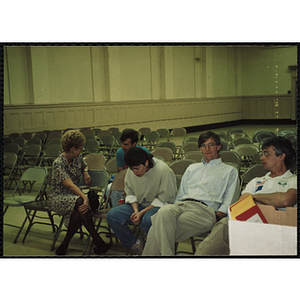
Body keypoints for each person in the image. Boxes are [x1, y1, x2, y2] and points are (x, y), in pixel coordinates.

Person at [194, 135, 297, 256]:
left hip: (279, 228)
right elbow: (243, 204)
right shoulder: (256, 181)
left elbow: (286, 200)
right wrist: (273, 200)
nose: (261, 157)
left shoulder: (293, 180)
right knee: (225, 225)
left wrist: (255, 197)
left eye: (267, 154)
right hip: (251, 223)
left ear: (281, 156)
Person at [142, 131, 240, 256]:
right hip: (181, 206)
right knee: (163, 212)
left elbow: (229, 201)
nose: (207, 149)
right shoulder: (192, 168)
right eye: (204, 145)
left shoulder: (230, 171)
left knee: (156, 228)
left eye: (211, 145)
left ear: (218, 146)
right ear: (200, 149)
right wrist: (176, 206)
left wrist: (216, 217)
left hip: (204, 211)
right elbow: (180, 194)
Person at [48, 130, 110, 255]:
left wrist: (85, 172)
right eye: (80, 148)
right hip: (58, 197)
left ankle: (65, 244)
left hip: (73, 196)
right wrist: (84, 197)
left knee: (78, 215)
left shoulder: (78, 158)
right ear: (72, 149)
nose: (82, 150)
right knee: (81, 202)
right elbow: (69, 184)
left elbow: (84, 165)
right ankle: (98, 240)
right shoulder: (58, 163)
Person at [106, 147, 177, 255]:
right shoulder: (132, 170)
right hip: (139, 204)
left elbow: (165, 198)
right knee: (112, 215)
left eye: (137, 168)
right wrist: (136, 212)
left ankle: (155, 248)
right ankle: (135, 244)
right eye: (132, 168)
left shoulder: (163, 170)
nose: (134, 172)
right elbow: (130, 193)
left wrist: (141, 213)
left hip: (160, 206)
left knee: (148, 220)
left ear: (146, 162)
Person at [107, 129, 151, 207]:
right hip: (127, 180)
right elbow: (121, 173)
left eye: (126, 144)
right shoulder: (120, 152)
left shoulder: (144, 153)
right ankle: (116, 210)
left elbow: (148, 175)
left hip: (142, 182)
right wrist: (125, 186)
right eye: (122, 144)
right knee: (109, 189)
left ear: (134, 144)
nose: (122, 147)